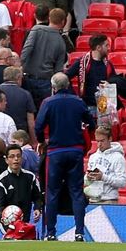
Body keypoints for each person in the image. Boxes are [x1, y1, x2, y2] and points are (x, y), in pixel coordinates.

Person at [36, 72, 95, 240]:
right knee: (76, 191)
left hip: (55, 151)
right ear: (68, 85)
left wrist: (42, 141)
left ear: (53, 87)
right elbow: (91, 123)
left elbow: (39, 126)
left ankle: (51, 232)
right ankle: (79, 232)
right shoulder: (78, 102)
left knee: (52, 192)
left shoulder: (48, 102)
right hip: (75, 150)